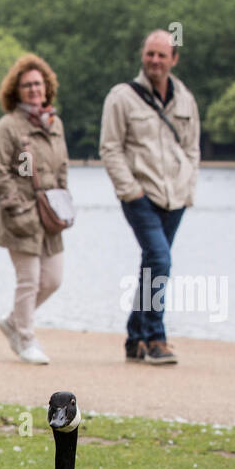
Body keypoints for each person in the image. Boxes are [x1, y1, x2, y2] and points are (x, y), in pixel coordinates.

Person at [100, 30, 201, 365]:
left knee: (152, 263)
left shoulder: (185, 98)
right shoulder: (122, 97)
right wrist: (131, 190)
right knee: (160, 260)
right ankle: (156, 338)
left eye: (162, 55)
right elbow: (110, 148)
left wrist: (188, 186)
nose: (155, 61)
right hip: (141, 195)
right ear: (142, 56)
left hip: (175, 197)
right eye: (150, 54)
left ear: (174, 59)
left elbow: (192, 148)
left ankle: (135, 337)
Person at [0, 54, 69, 365]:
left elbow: (61, 166)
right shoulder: (8, 126)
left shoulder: (55, 124)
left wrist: (64, 200)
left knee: (53, 279)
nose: (34, 90)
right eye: (27, 85)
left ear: (47, 87)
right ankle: (25, 339)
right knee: (29, 280)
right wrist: (16, 207)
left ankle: (13, 322)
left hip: (51, 214)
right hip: (19, 215)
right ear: (16, 91)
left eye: (38, 84)